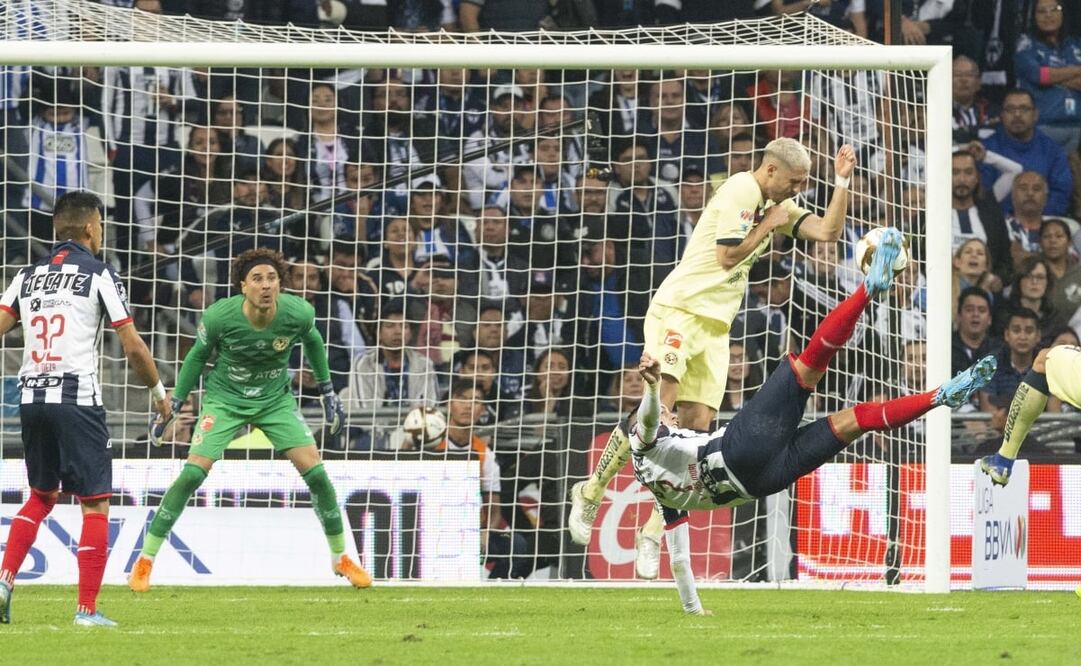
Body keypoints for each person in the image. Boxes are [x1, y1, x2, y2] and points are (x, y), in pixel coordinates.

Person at [568, 137, 859, 557]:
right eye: (794, 182)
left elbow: (828, 232)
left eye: (804, 184)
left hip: (716, 328)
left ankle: (653, 529)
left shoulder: (778, 205)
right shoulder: (743, 189)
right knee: (659, 413)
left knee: (696, 429)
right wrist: (769, 223)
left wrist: (841, 182)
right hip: (680, 311)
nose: (798, 190)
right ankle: (592, 490)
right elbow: (727, 257)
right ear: (771, 170)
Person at [627, 283, 996, 614]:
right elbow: (646, 421)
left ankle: (939, 397)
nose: (672, 415)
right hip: (740, 448)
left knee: (854, 421)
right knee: (808, 368)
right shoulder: (646, 440)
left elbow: (678, 560)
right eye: (668, 414)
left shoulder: (664, 496)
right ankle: (869, 289)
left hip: (763, 482)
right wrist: (651, 389)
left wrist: (694, 611)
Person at [126, 248, 372, 593]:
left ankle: (341, 558)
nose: (266, 285)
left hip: (275, 401)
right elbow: (197, 357)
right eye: (257, 279)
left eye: (272, 278)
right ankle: (145, 560)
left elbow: (315, 343)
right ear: (243, 286)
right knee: (192, 473)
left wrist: (329, 393)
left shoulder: (298, 312)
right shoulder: (220, 317)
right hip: (225, 400)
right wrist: (174, 402)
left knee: (316, 473)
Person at [0, 192, 172, 627]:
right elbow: (131, 344)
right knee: (94, 503)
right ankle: (86, 610)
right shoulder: (99, 274)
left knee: (40, 495)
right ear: (93, 227)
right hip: (76, 398)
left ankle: (3, 581)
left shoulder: (27, 276)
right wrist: (158, 391)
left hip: (32, 398)